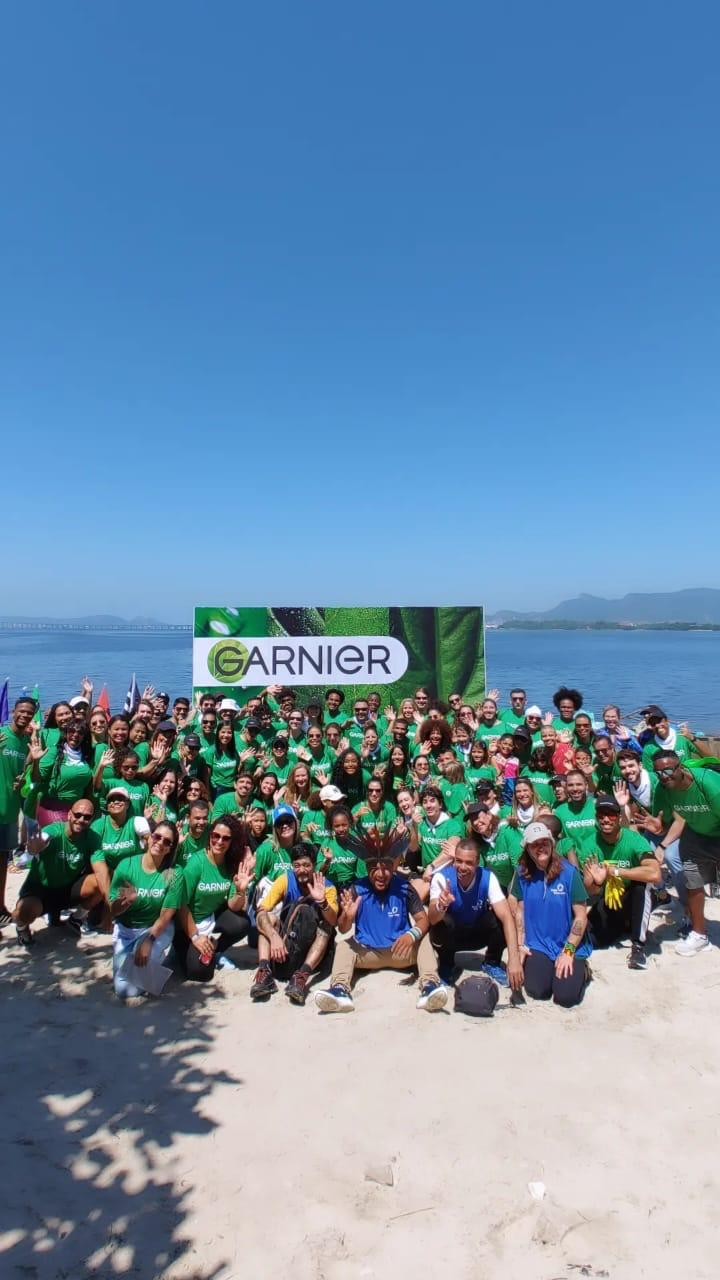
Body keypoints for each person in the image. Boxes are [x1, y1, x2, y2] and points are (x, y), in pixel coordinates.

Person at [315, 847, 449, 1014]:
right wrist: (348, 916)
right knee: (344, 946)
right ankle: (340, 990)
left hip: (402, 950)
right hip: (367, 952)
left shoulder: (404, 887)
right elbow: (343, 929)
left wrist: (411, 935)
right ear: (366, 868)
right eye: (374, 868)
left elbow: (423, 920)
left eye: (386, 867)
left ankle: (429, 986)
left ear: (393, 866)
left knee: (424, 939)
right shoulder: (356, 889)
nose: (380, 874)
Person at [509, 822, 591, 1007]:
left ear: (552, 844)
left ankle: (584, 970)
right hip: (538, 943)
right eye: (534, 844)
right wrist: (520, 945)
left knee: (565, 997)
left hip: (568, 944)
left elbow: (580, 916)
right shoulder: (522, 873)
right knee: (537, 990)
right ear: (527, 848)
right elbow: (520, 912)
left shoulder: (569, 873)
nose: (541, 847)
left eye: (545, 842)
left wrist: (568, 952)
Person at [647, 751, 720, 956]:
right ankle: (699, 934)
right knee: (692, 881)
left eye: (669, 770)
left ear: (681, 767)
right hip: (695, 834)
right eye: (658, 772)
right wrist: (658, 829)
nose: (664, 776)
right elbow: (666, 825)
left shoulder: (708, 784)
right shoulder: (663, 789)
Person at [251, 841, 338, 1004]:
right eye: (297, 865)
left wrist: (323, 902)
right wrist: (274, 937)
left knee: (326, 925)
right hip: (288, 942)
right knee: (268, 918)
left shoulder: (327, 887)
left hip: (314, 947)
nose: (302, 870)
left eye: (306, 865)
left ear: (314, 865)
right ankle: (264, 971)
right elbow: (260, 911)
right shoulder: (285, 880)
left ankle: (302, 976)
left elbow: (333, 921)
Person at [428, 838, 524, 987]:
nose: (462, 867)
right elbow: (432, 919)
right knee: (442, 922)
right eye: (458, 861)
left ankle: (491, 962)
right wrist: (441, 905)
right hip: (452, 937)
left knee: (502, 916)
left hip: (477, 935)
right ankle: (447, 964)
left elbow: (506, 917)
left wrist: (514, 958)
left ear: (478, 862)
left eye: (468, 862)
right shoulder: (441, 877)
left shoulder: (487, 877)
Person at [582, 794, 661, 969]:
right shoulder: (589, 844)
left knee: (642, 885)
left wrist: (616, 871)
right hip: (609, 898)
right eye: (601, 815)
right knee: (594, 940)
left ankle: (638, 947)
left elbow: (655, 873)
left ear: (618, 817)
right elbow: (589, 891)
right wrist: (597, 882)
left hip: (632, 895)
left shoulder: (633, 839)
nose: (605, 819)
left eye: (610, 814)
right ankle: (626, 924)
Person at [109, 821, 183, 1000]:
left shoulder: (174, 873)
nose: (160, 843)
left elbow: (167, 914)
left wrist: (149, 940)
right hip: (127, 929)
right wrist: (125, 902)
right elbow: (113, 910)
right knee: (123, 990)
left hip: (155, 928)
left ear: (171, 848)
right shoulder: (126, 866)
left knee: (142, 960)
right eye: (157, 837)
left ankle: (152, 961)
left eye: (167, 842)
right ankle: (133, 963)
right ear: (149, 837)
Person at [14, 800, 103, 945]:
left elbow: (101, 870)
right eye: (78, 815)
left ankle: (76, 919)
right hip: (41, 890)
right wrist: (33, 849)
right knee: (23, 911)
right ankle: (21, 928)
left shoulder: (91, 837)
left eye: (87, 817)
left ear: (91, 819)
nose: (81, 820)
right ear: (69, 814)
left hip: (67, 889)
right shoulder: (54, 830)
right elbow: (41, 840)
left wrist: (111, 902)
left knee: (102, 880)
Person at [175, 817, 254, 980]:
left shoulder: (231, 864)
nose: (219, 841)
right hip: (186, 925)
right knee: (200, 973)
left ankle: (214, 948)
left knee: (242, 923)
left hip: (210, 919)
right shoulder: (196, 863)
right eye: (215, 836)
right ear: (209, 836)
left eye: (226, 838)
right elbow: (181, 904)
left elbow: (233, 906)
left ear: (233, 841)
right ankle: (185, 951)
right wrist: (195, 937)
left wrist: (240, 891)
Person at [0, 695, 36, 925]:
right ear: (13, 711)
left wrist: (22, 777)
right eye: (21, 711)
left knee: (3, 862)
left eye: (29, 713)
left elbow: (21, 774)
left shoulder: (26, 743)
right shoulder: (2, 735)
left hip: (11, 811)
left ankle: (0, 905)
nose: (24, 715)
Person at [640, 706, 708, 768]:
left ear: (667, 721)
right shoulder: (648, 748)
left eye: (659, 720)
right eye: (652, 723)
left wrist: (692, 738)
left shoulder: (682, 738)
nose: (657, 725)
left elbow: (709, 756)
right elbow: (651, 774)